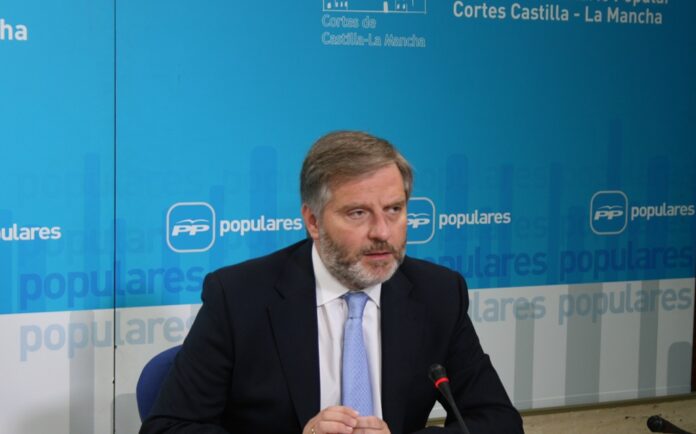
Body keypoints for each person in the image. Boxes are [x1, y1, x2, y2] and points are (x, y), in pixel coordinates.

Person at [140, 131, 523, 434]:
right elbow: (168, 427)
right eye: (358, 213)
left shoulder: (437, 293)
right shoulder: (239, 297)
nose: (382, 231)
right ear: (313, 221)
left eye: (394, 209)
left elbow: (499, 420)